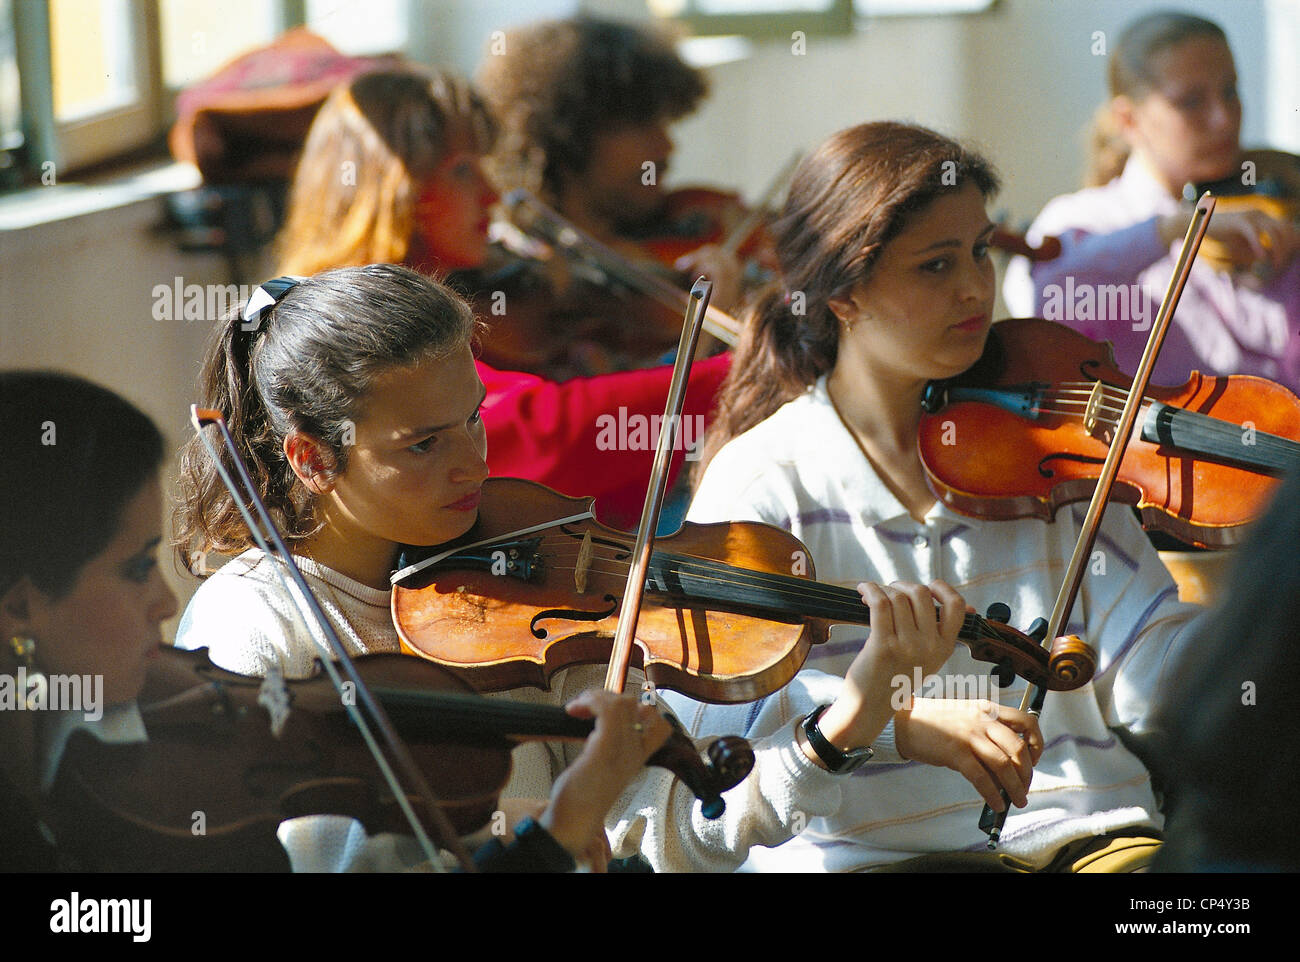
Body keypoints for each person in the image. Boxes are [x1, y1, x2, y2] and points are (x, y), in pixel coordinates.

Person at [609, 122, 1203, 873]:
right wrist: (879, 716)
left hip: (1080, 842)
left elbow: (1149, 663)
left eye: (981, 251)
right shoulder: (767, 481)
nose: (974, 288)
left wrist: (1252, 649)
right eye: (935, 265)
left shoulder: (1046, 445)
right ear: (845, 295)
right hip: (862, 862)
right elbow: (702, 799)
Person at [0, 370, 667, 873]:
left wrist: (461, 834)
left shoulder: (91, 754)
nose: (167, 606)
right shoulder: (95, 823)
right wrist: (558, 826)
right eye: (137, 568)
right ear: (23, 606)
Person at [275, 67, 729, 528]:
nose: (491, 195)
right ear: (395, 189)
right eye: (463, 170)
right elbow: (533, 435)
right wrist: (733, 373)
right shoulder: (349, 322)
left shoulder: (473, 294)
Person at [1002, 10, 1300, 394]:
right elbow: (1052, 303)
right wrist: (1175, 227)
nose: (1224, 118)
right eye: (1191, 101)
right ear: (1128, 119)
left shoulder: (1272, 194)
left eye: (1231, 90)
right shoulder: (1083, 218)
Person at [476, 16, 748, 314]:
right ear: (571, 135)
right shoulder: (517, 278)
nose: (667, 146)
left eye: (665, 122)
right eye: (639, 125)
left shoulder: (685, 231)